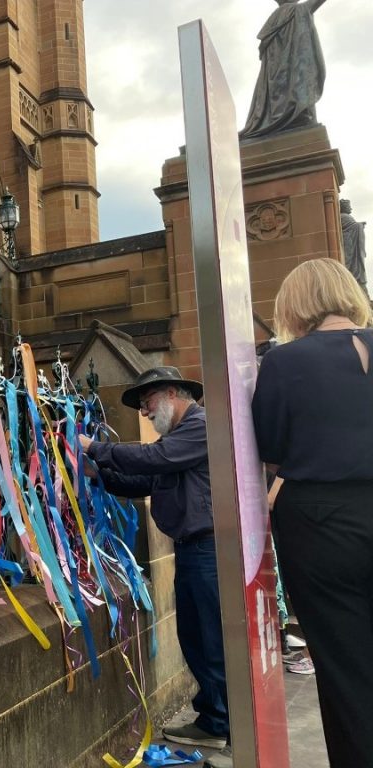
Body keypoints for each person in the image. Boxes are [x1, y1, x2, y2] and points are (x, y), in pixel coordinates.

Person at [252, 258, 373, 768]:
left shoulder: (284, 361)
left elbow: (271, 445)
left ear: (296, 305)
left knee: (347, 670)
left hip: (321, 523)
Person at [78, 367, 232, 768]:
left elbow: (154, 459)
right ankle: (214, 717)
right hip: (190, 550)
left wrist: (96, 448)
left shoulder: (199, 427)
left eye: (146, 403)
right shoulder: (176, 442)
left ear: (169, 393)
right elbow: (143, 482)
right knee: (195, 637)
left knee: (214, 640)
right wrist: (101, 474)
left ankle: (232, 726)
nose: (144, 412)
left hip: (209, 550)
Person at [240, 0, 327, 140]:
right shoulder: (299, 9)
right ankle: (292, 116)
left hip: (274, 91)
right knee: (301, 117)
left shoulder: (272, 21)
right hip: (293, 89)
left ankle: (278, 118)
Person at [340, 199, 368, 295]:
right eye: (348, 206)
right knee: (352, 265)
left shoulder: (345, 217)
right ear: (343, 207)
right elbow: (351, 228)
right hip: (350, 246)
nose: (350, 208)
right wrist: (359, 225)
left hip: (351, 244)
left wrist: (359, 225)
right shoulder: (344, 217)